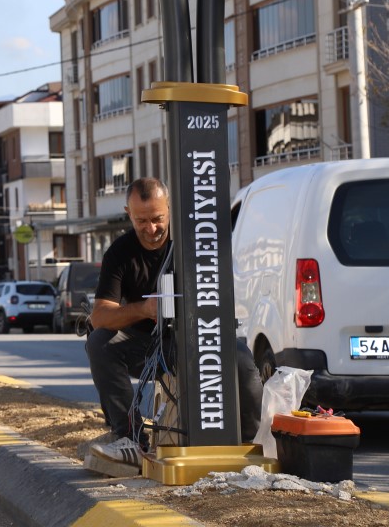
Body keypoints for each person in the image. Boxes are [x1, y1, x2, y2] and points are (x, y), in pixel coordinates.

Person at [85, 177, 262, 472]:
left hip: (200, 338)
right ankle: (130, 440)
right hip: (148, 348)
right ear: (127, 212)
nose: (151, 229)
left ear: (170, 208)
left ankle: (248, 445)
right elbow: (100, 316)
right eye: (141, 220)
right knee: (99, 344)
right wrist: (144, 308)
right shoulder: (119, 253)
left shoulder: (194, 243)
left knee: (242, 361)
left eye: (158, 219)